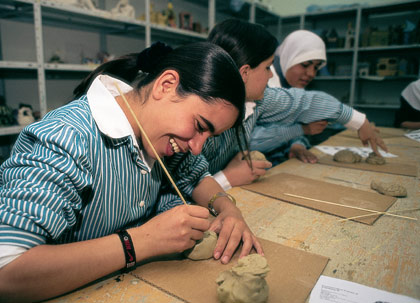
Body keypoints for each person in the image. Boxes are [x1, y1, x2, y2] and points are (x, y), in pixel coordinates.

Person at [0, 41, 262, 302]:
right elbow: (7, 269)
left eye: (209, 136)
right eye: (199, 126)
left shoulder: (156, 133)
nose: (196, 147)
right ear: (166, 85)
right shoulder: (66, 139)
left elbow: (197, 175)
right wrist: (143, 241)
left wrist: (228, 209)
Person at [204, 19, 387, 190]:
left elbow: (302, 102)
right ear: (245, 73)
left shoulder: (257, 99)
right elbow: (183, 190)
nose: (270, 76)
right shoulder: (197, 117)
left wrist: (358, 120)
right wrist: (226, 178)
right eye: (268, 68)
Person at [252, 29, 333, 165]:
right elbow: (247, 142)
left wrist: (296, 145)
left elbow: (291, 126)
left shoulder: (292, 84)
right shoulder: (260, 87)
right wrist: (302, 129)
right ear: (289, 56)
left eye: (316, 67)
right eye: (305, 65)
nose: (311, 73)